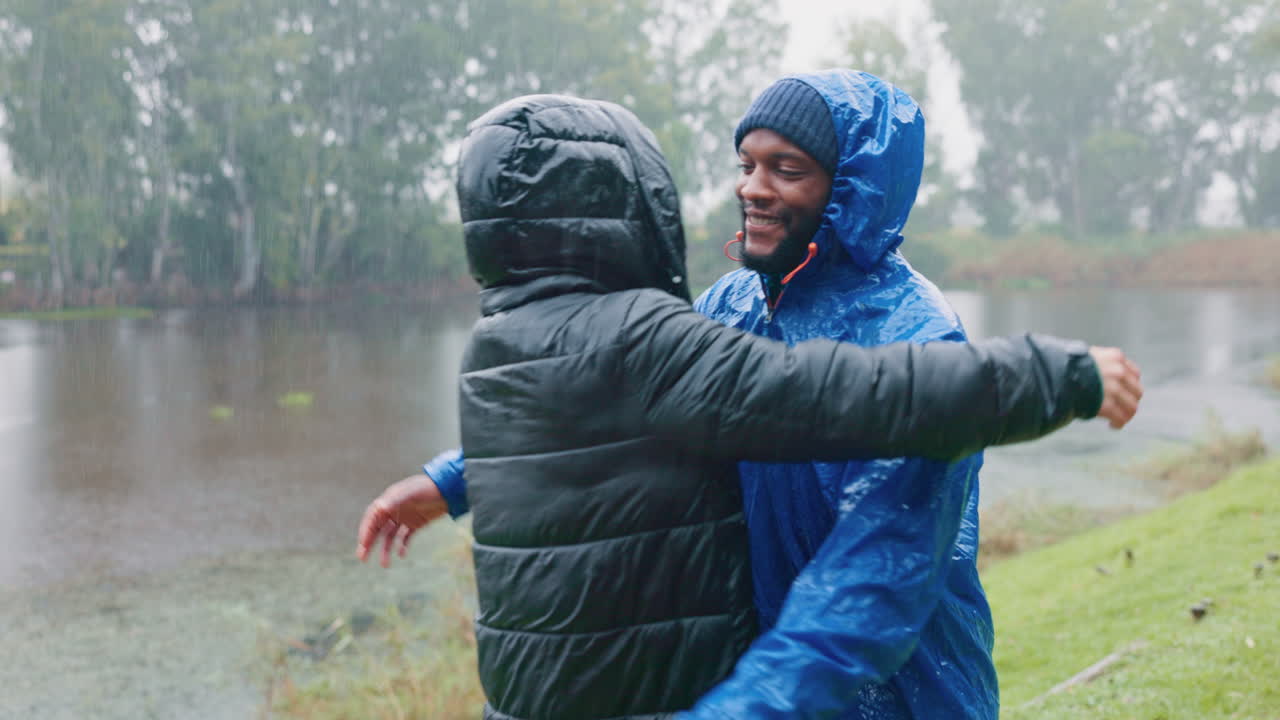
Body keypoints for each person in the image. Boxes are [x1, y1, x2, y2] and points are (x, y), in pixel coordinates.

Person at [357, 93, 1142, 720]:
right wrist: (455, 478)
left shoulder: (915, 337)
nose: (751, 188)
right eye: (747, 163)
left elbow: (875, 580)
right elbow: (617, 398)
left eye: (785, 168)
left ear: (853, 190)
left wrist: (745, 708)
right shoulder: (733, 301)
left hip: (888, 691)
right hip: (759, 674)